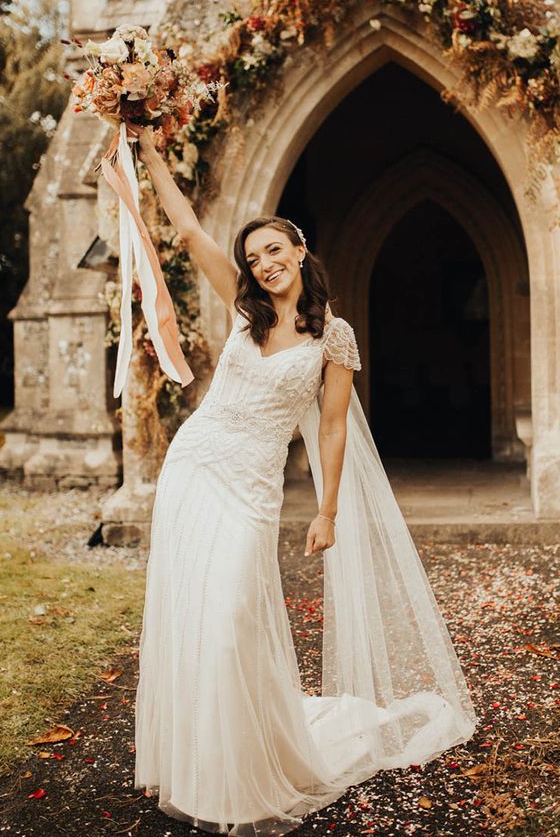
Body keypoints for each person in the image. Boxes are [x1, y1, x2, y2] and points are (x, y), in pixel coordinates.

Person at [127, 124, 478, 836]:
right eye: (253, 257)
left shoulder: (333, 338)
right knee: (192, 613)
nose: (263, 264)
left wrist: (326, 511)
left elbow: (332, 427)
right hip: (195, 467)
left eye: (274, 250)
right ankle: (204, 767)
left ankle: (251, 764)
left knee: (231, 619)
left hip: (254, 487)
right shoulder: (242, 308)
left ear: (299, 250)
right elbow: (190, 229)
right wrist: (148, 150)